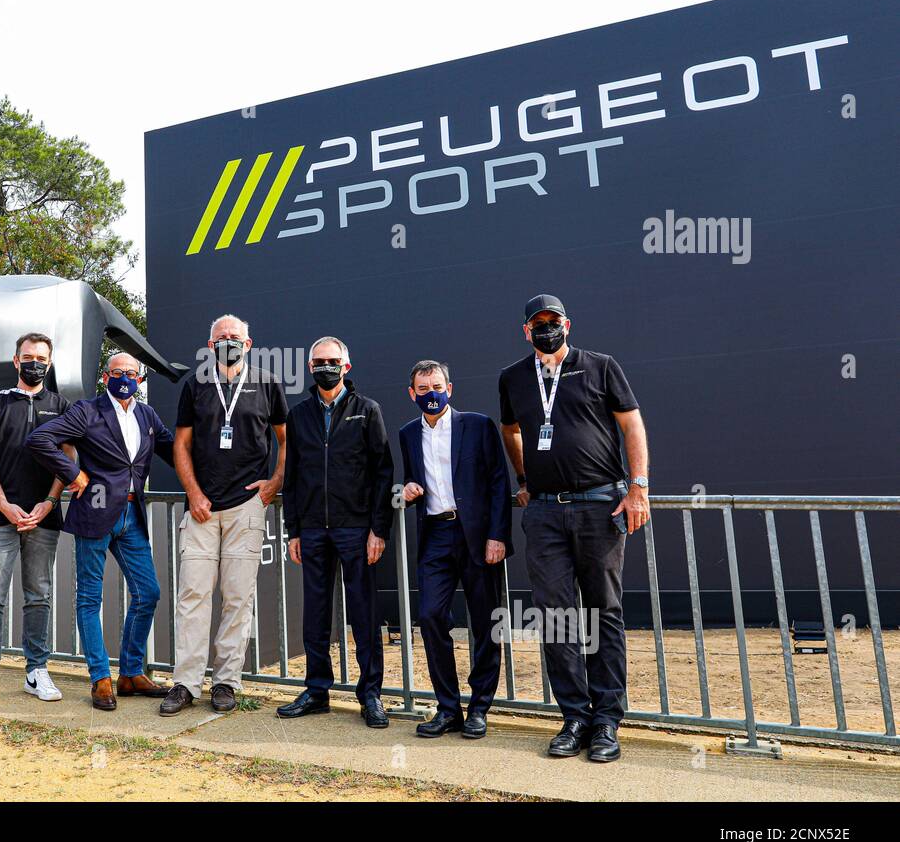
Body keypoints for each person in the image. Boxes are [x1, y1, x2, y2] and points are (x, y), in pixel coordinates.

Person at [498, 294, 650, 763]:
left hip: (599, 506)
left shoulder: (601, 366)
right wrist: (524, 480)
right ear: (526, 330)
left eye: (553, 321)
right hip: (544, 513)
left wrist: (638, 486)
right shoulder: (513, 378)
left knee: (603, 611)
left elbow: (631, 425)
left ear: (568, 324)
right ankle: (574, 717)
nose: (546, 328)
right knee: (556, 616)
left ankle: (606, 720)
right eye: (537, 323)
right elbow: (511, 431)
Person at [26, 351, 176, 711]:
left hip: (131, 515)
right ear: (106, 377)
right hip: (94, 514)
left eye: (131, 373)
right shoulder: (86, 411)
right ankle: (100, 679)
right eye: (117, 372)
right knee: (90, 599)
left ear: (140, 380)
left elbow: (177, 451)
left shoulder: (147, 415)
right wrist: (72, 473)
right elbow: (40, 440)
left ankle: (130, 673)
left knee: (148, 593)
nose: (125, 377)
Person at [162, 316, 288, 715]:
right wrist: (193, 492)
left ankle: (226, 683)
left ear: (248, 344)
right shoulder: (196, 385)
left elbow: (286, 440)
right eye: (221, 338)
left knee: (237, 598)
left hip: (246, 508)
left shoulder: (268, 383)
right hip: (201, 509)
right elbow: (181, 445)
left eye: (234, 337)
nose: (228, 342)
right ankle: (185, 683)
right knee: (193, 596)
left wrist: (274, 484)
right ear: (210, 344)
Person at [277, 336, 395, 728]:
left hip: (356, 530)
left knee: (364, 614)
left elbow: (383, 473)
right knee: (316, 614)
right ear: (310, 368)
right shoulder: (299, 415)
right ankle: (316, 690)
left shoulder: (368, 410)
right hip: (311, 530)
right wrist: (293, 529)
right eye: (318, 362)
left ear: (346, 365)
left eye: (332, 361)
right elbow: (291, 477)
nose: (324, 367)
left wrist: (379, 528)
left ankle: (371, 694)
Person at [399, 360, 512, 739]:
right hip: (435, 535)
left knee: (484, 623)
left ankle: (480, 707)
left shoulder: (478, 426)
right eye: (423, 388)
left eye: (437, 386)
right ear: (412, 393)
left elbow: (499, 482)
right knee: (431, 616)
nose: (432, 393)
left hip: (478, 536)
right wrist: (408, 490)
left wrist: (498, 536)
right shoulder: (407, 433)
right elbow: (411, 480)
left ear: (450, 388)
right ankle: (448, 708)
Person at [0, 332, 70, 707]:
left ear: (49, 363)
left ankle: (36, 671)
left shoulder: (62, 405)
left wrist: (49, 502)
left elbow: (70, 462)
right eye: (28, 357)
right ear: (15, 361)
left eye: (41, 357)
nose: (34, 363)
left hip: (44, 518)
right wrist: (6, 505)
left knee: (38, 596)